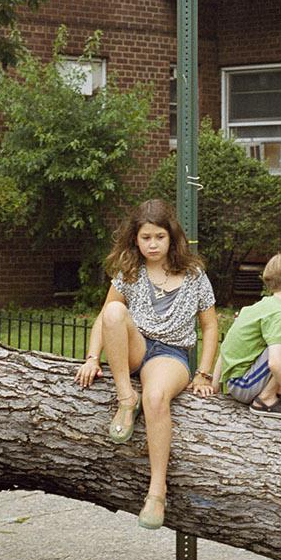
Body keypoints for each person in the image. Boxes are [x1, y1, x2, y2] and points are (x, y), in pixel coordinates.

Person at [74, 200, 219, 530]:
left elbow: (210, 326)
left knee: (155, 398)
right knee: (114, 311)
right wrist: (92, 357)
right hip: (136, 347)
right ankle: (126, 398)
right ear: (135, 239)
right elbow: (104, 317)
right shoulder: (129, 272)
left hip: (171, 355)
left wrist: (203, 373)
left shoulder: (194, 275)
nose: (153, 244)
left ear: (172, 237)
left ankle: (156, 492)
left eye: (159, 237)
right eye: (146, 238)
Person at [215, 251, 281, 414]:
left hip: (236, 383)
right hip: (245, 385)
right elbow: (274, 363)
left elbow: (226, 347)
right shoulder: (278, 313)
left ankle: (276, 393)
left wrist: (215, 385)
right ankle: (267, 398)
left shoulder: (258, 307)